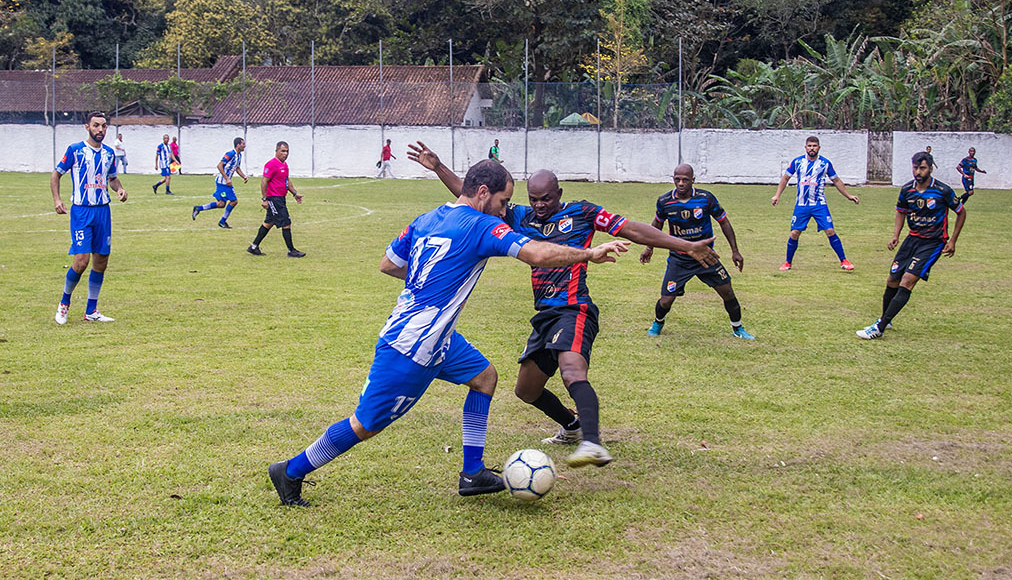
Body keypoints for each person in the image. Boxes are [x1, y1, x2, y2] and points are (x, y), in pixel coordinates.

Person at [267, 160, 630, 506]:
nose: (505, 210)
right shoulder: (483, 226)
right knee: (365, 425)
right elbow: (536, 254)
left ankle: (472, 473)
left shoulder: (427, 219)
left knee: (485, 377)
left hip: (438, 337)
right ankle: (290, 470)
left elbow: (389, 264)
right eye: (503, 201)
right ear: (483, 193)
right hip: (412, 346)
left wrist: (430, 281)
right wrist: (588, 253)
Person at [408, 141, 719, 468]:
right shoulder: (521, 217)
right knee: (526, 391)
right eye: (534, 199)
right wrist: (438, 167)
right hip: (545, 315)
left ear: (559, 193)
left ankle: (592, 443)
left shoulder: (583, 213)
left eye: (546, 199)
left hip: (574, 309)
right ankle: (572, 426)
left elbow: (632, 229)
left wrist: (685, 246)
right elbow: (475, 197)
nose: (540, 205)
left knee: (572, 371)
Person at [857, 151, 966, 339]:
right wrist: (896, 236)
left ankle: (879, 328)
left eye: (922, 168)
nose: (918, 172)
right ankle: (886, 319)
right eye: (915, 168)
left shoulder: (942, 190)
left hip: (933, 242)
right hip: (912, 239)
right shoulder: (907, 189)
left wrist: (953, 240)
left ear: (930, 169)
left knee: (907, 280)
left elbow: (961, 212)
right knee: (892, 279)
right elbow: (901, 212)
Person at [641, 164, 754, 340]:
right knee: (666, 300)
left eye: (685, 180)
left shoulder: (705, 198)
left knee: (727, 291)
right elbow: (657, 224)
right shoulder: (665, 201)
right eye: (677, 179)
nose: (681, 183)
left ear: (693, 180)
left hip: (705, 256)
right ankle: (658, 323)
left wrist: (735, 251)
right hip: (680, 259)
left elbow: (724, 222)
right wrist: (649, 247)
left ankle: (737, 328)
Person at [51, 112, 128, 324]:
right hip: (82, 212)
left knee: (101, 260)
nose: (100, 129)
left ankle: (91, 310)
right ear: (87, 127)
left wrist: (120, 189)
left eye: (103, 126)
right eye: (96, 125)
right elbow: (56, 174)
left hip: (103, 211)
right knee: (81, 261)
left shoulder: (109, 153)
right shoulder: (75, 150)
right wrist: (57, 199)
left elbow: (112, 178)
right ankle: (64, 304)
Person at [771, 136, 860, 271]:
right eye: (809, 146)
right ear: (805, 147)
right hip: (802, 205)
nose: (812, 148)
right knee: (795, 233)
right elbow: (785, 179)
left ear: (819, 147)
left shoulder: (825, 164)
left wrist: (849, 196)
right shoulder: (797, 162)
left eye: (814, 146)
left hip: (819, 205)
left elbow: (836, 181)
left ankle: (844, 261)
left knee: (830, 230)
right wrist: (777, 195)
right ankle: (788, 262)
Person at [247, 141, 305, 257]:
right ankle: (291, 250)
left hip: (281, 198)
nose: (285, 153)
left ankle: (253, 247)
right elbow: (264, 181)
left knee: (269, 222)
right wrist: (264, 199)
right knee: (286, 223)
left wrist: (295, 193)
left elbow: (287, 181)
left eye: (287, 151)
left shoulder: (285, 165)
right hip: (274, 199)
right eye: (283, 151)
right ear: (277, 151)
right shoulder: (271, 164)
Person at [192, 137, 248, 228]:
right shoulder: (230, 154)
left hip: (225, 182)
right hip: (223, 182)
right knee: (234, 201)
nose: (244, 146)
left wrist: (244, 176)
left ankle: (198, 208)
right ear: (238, 145)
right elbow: (219, 165)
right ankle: (222, 222)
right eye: (243, 144)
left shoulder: (239, 156)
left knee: (221, 204)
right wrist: (227, 178)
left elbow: (237, 168)